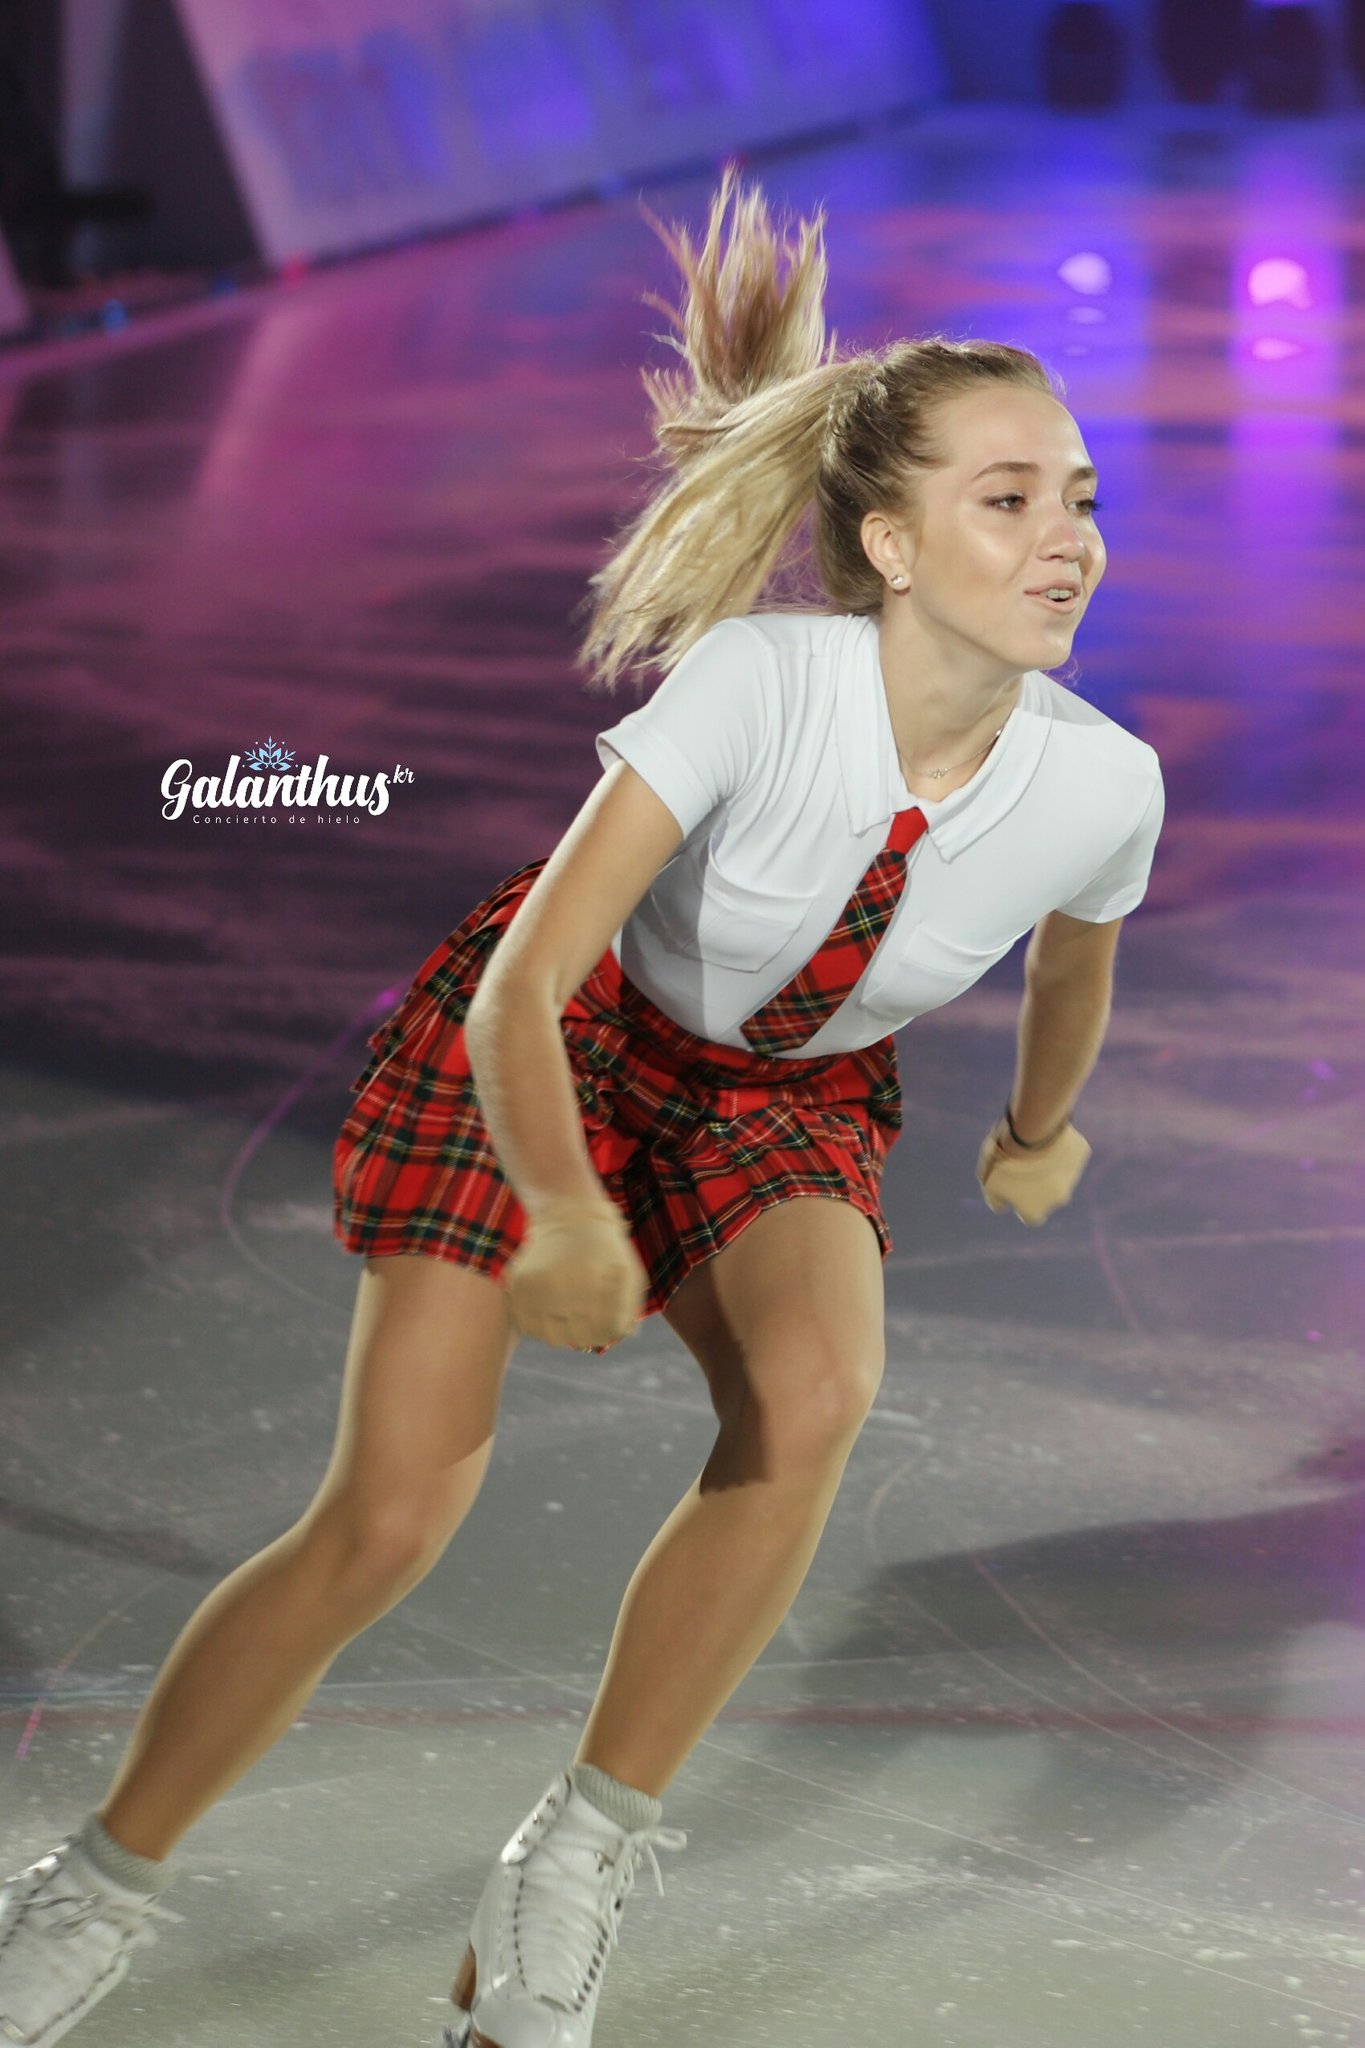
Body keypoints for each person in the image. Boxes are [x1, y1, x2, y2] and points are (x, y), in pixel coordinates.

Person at [0, 168, 1162, 2048]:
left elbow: (1071, 968)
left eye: (1081, 500)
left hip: (781, 1092)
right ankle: (97, 1884)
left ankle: (573, 1859)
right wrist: (559, 1208)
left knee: (813, 1392)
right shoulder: (758, 685)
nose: (1066, 542)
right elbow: (528, 983)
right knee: (388, 1519)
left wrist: (1037, 1133)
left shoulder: (1102, 782)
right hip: (562, 1045)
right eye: (1010, 500)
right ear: (886, 543)